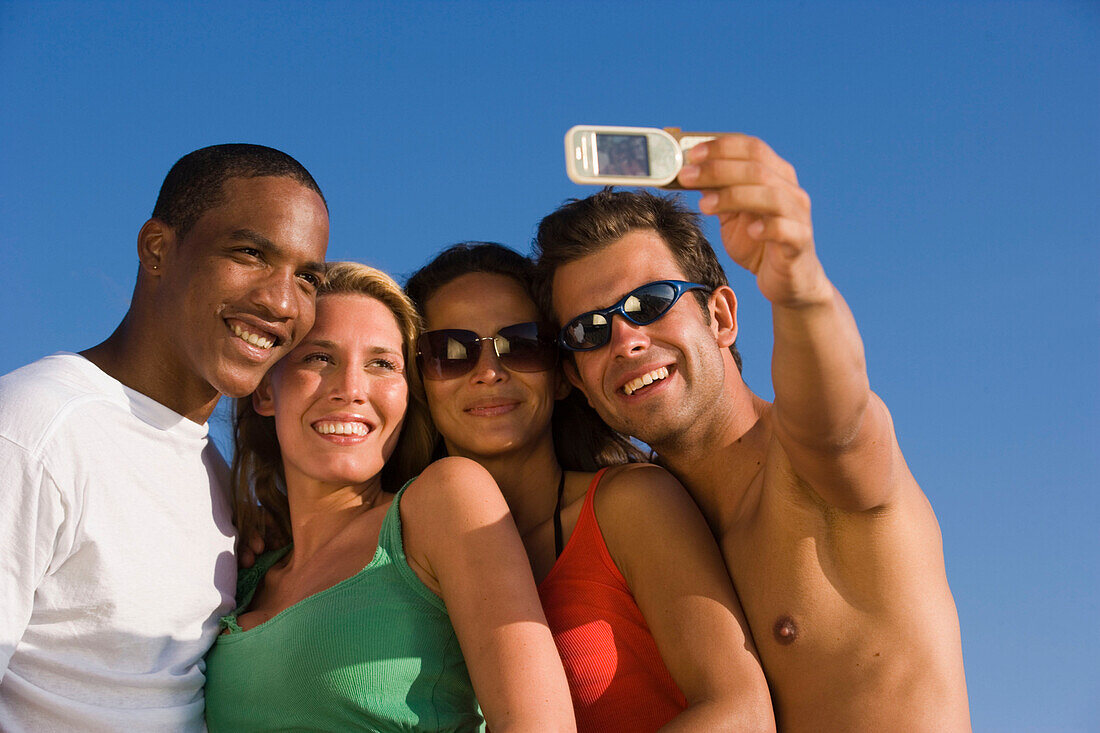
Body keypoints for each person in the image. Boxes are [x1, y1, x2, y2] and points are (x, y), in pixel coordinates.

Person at [533, 135, 972, 731]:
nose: (625, 340)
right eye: (589, 331)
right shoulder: (636, 531)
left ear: (720, 316)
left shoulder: (810, 464)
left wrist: (797, 283)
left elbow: (837, 419)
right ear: (577, 381)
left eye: (650, 302)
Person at [0, 144, 329, 732]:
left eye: (307, 277)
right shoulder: (34, 428)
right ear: (158, 249)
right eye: (250, 253)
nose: (282, 301)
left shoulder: (214, 473)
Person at [405, 243, 774, 732]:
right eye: (450, 352)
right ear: (418, 382)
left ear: (563, 378)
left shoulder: (629, 506)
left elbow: (741, 714)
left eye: (522, 344)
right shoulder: (394, 545)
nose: (489, 372)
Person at [204, 262, 574, 732]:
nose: (352, 390)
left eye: (382, 364)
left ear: (406, 395)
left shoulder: (445, 500)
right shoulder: (242, 567)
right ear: (265, 392)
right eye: (319, 357)